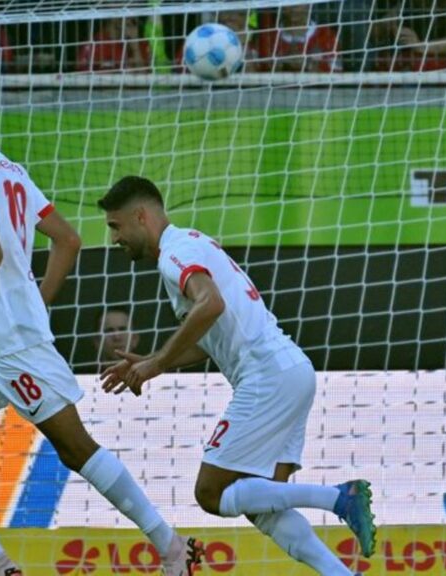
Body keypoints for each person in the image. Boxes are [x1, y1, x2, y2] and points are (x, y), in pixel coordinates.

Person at [0, 77, 201, 576]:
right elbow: (67, 238)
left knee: (75, 447)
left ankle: (171, 545)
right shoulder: (3, 164)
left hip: (11, 339)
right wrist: (36, 303)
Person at [97, 176, 377, 576]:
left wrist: (155, 364)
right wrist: (153, 359)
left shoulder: (173, 253)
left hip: (267, 377)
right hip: (291, 370)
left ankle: (338, 498)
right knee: (262, 504)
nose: (113, 238)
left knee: (211, 493)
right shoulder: (193, 242)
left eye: (115, 226)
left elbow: (210, 305)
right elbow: (207, 337)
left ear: (141, 216)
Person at [94, 307, 140, 371]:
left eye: (122, 329)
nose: (117, 337)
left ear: (135, 339)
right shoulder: (82, 376)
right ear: (97, 341)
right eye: (109, 331)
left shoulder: (151, 376)